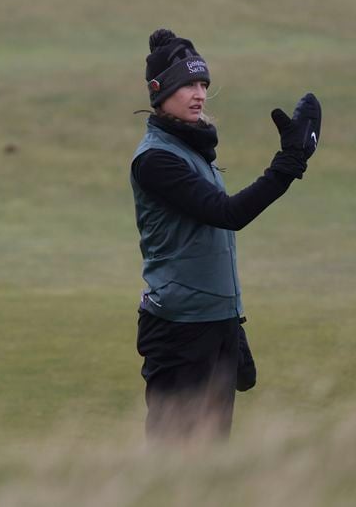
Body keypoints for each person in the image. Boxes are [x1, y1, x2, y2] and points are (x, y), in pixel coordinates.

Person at [130, 28, 321, 440]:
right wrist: (288, 163)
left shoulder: (193, 152)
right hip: (179, 331)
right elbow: (227, 213)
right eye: (187, 85)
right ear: (160, 92)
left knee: (211, 466)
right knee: (172, 462)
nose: (199, 94)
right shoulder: (156, 160)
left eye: (203, 84)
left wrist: (230, 323)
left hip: (214, 323)